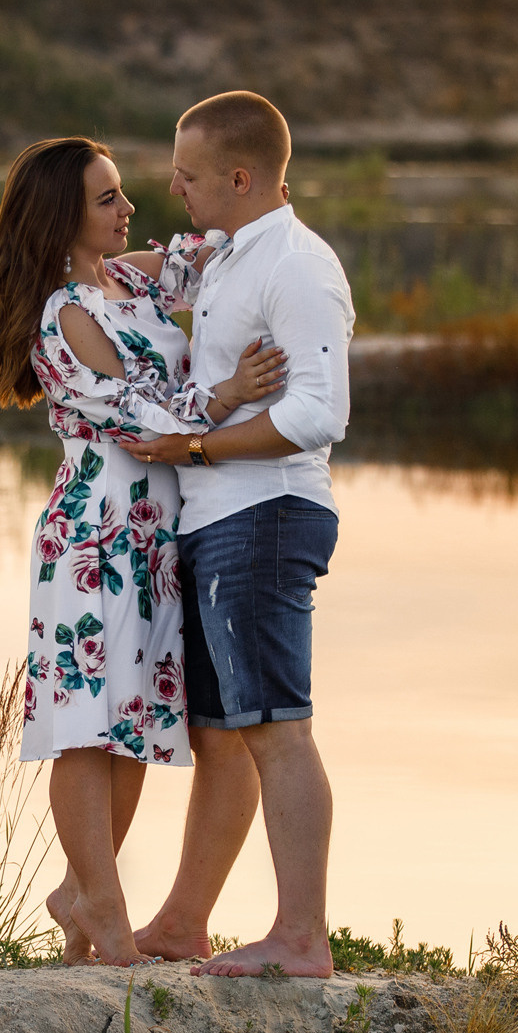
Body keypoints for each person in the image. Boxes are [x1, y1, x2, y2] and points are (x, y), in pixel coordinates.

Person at [0, 135, 288, 967]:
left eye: (124, 193)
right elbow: (141, 420)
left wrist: (237, 190)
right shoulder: (63, 314)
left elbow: (212, 255)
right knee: (86, 726)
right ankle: (105, 916)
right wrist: (225, 395)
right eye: (108, 198)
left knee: (138, 723)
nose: (129, 208)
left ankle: (85, 894)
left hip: (155, 536)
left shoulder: (130, 277)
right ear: (64, 217)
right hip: (94, 533)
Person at [119, 91, 356, 979]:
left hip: (264, 515)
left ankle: (301, 936)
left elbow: (317, 412)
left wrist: (197, 445)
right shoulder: (224, 258)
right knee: (223, 731)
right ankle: (184, 921)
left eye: (186, 172)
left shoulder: (294, 267)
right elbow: (143, 267)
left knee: (278, 727)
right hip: (218, 518)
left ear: (240, 177)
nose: (173, 185)